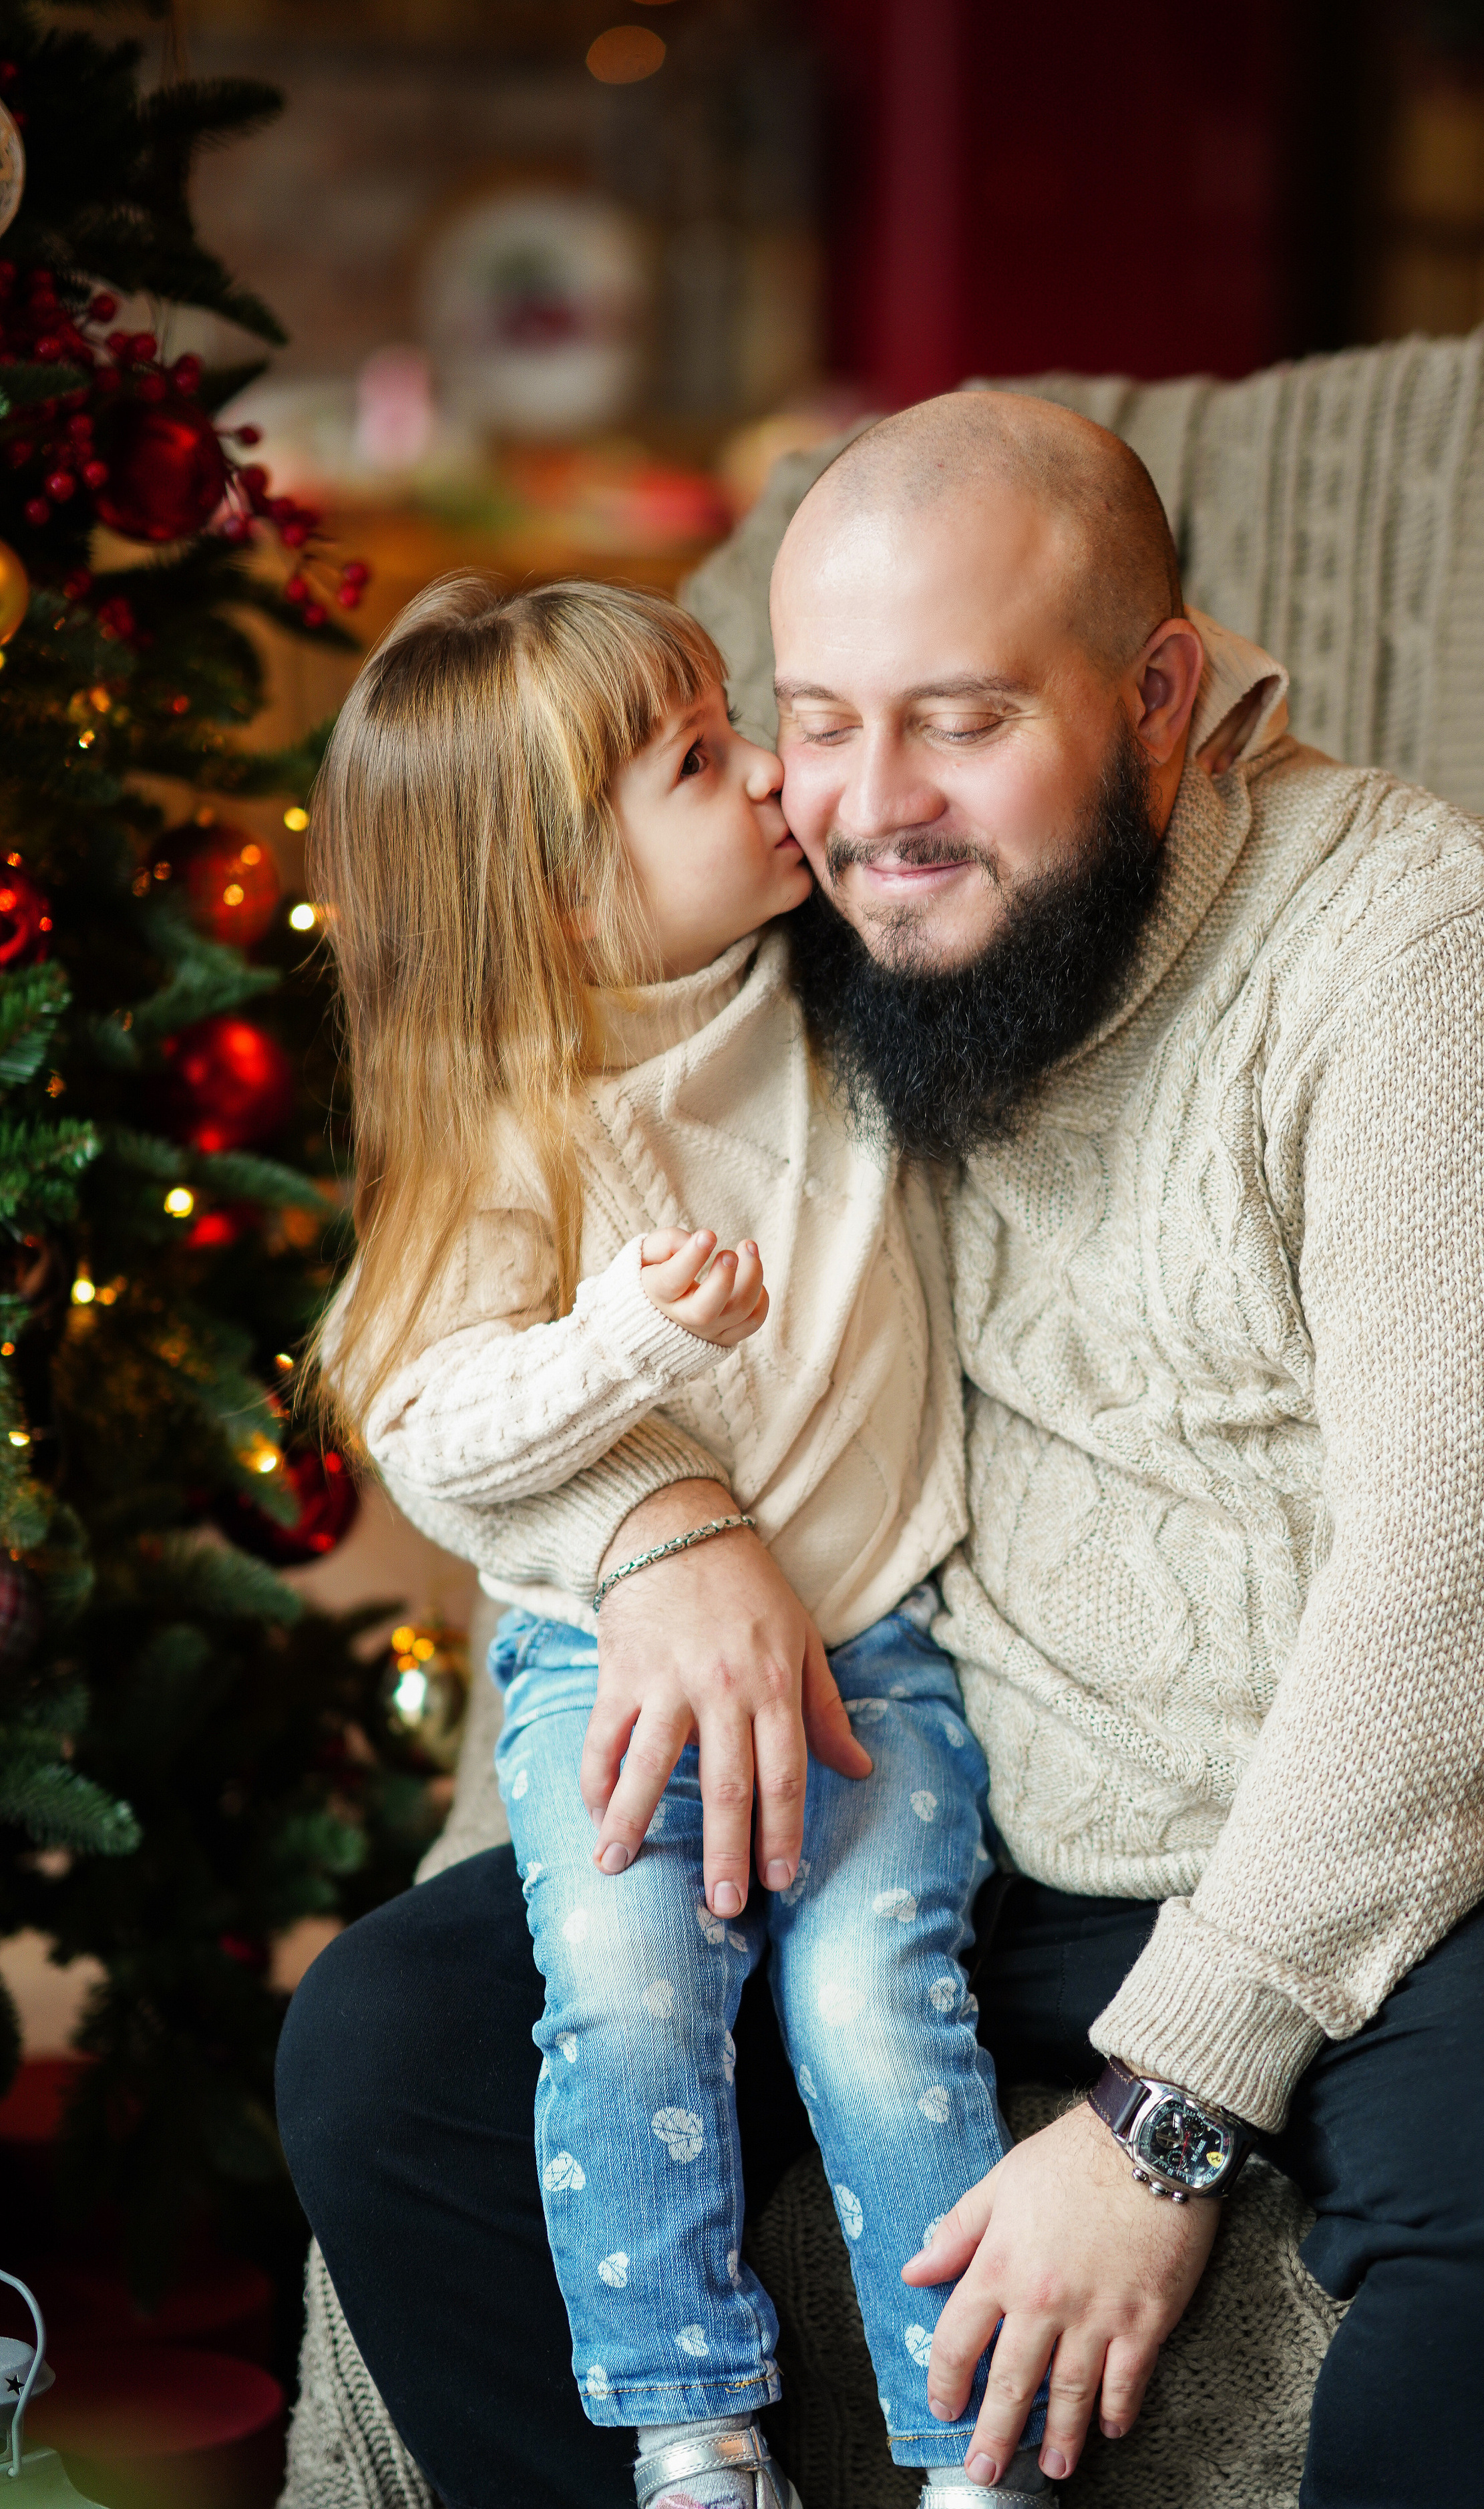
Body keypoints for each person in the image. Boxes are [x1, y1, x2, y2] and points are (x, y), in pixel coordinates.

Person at [279, 397, 1484, 2509]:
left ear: (1162, 696)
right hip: (989, 1791)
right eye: (818, 721)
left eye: (956, 721)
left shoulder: (1428, 974)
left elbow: (1468, 1608)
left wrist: (1163, 2113)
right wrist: (663, 1518)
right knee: (389, 2046)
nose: (864, 807)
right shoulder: (837, 933)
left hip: (1477, 1841)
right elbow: (468, 1290)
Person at [305, 572, 1064, 2509]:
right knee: (632, 1980)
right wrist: (625, 1347)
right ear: (563, 895)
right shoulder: (512, 1123)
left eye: (743, 729)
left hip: (880, 1639)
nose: (771, 785)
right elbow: (428, 1418)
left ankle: (972, 2448)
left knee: (869, 1988)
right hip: (600, 1656)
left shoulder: (838, 995)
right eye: (701, 761)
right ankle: (687, 2426)